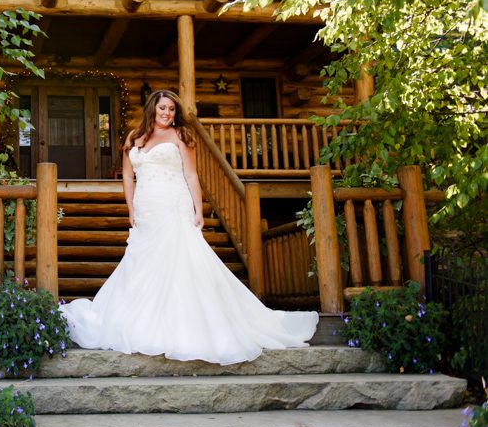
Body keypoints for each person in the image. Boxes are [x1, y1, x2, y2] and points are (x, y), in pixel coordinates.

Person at [60, 90, 318, 364]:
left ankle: (182, 324)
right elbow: (127, 174)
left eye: (171, 109)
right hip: (146, 207)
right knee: (144, 263)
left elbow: (191, 174)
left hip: (174, 204)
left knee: (180, 260)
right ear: (152, 109)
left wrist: (198, 209)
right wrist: (131, 207)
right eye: (162, 108)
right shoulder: (134, 137)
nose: (167, 113)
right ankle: (144, 318)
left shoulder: (181, 136)